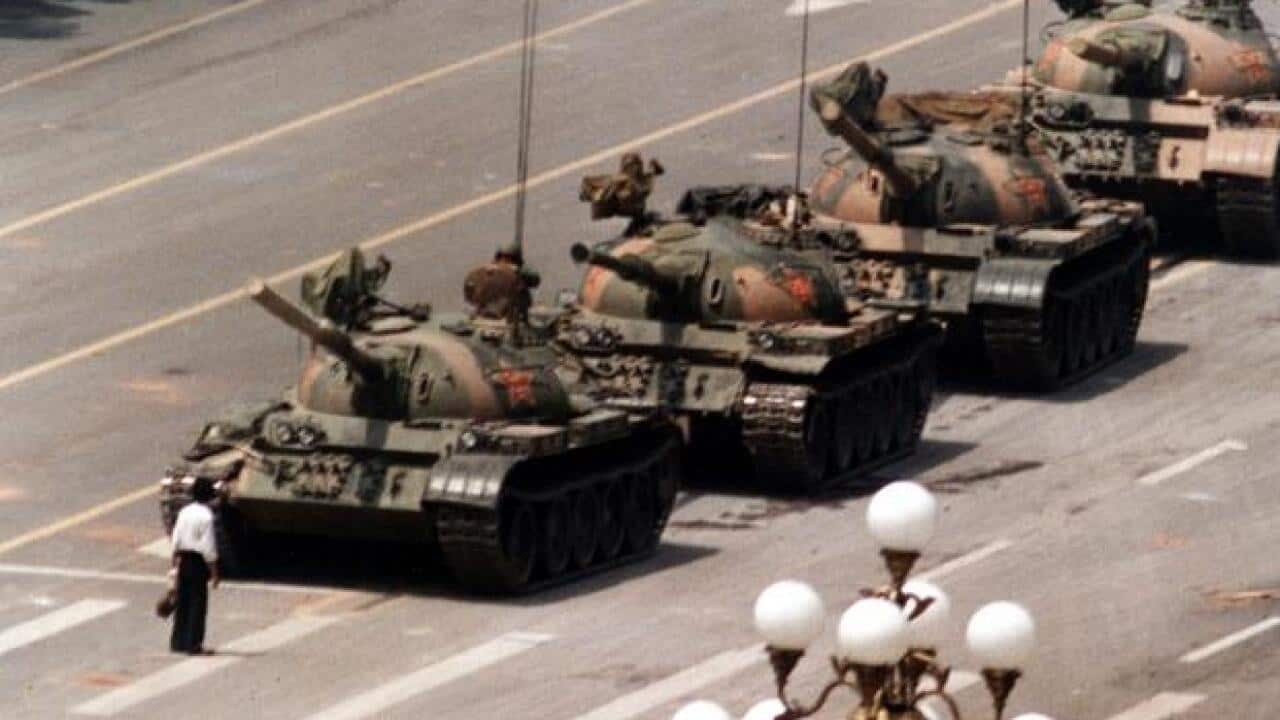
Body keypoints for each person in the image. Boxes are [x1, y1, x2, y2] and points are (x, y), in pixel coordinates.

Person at [169, 477, 220, 654]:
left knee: (183, 601)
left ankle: (178, 641)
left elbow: (176, 538)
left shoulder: (184, 512)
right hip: (198, 562)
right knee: (198, 603)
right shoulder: (206, 516)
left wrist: (174, 564)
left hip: (183, 559)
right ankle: (193, 644)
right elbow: (209, 547)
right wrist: (214, 572)